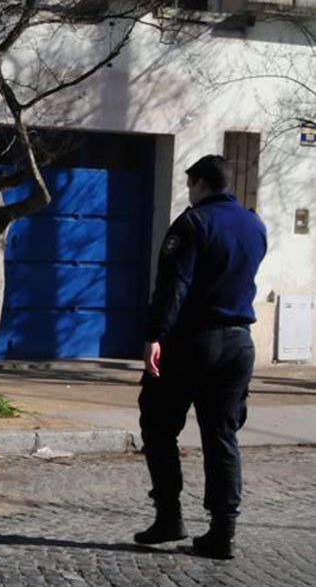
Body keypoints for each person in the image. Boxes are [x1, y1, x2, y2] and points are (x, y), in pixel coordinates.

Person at [135, 155, 267, 560]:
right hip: (239, 343)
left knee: (157, 425)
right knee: (222, 436)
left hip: (193, 341)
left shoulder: (193, 223)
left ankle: (169, 516)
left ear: (203, 184)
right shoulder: (254, 224)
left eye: (191, 185)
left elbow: (174, 285)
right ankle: (222, 531)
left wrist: (155, 334)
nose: (189, 193)